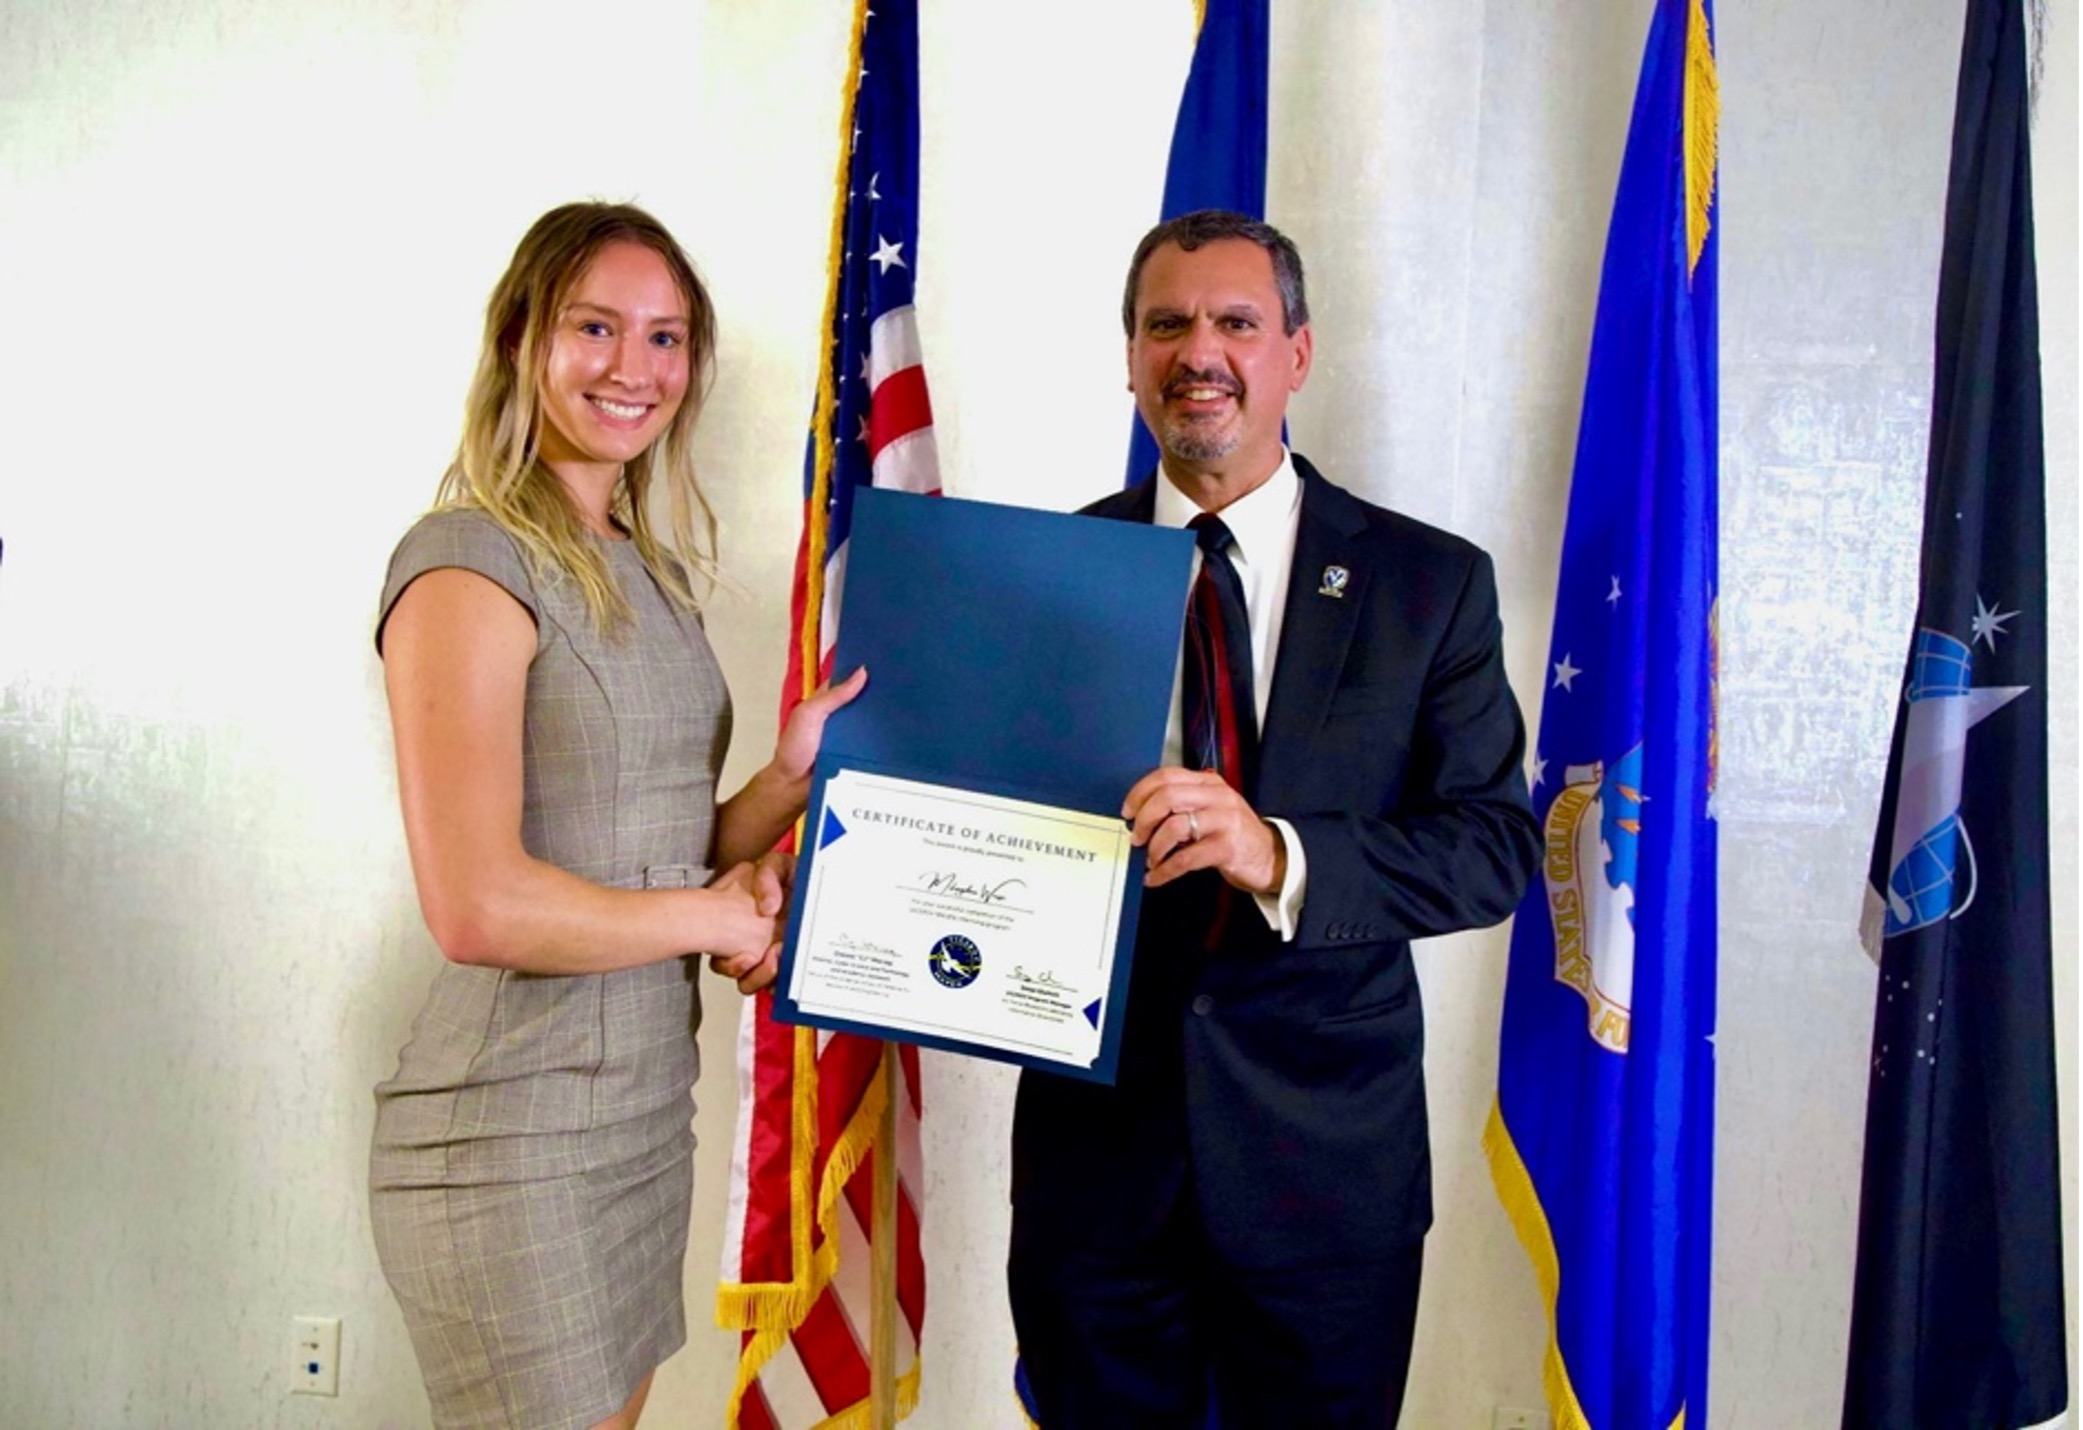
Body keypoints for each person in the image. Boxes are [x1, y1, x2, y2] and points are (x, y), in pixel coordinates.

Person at [1007, 210, 1542, 1428]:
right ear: (1131, 356)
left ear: (1296, 352)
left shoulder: (1426, 583)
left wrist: (1277, 851)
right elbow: (974, 823)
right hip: (1096, 1178)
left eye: (1236, 322)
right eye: (1167, 324)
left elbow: (1493, 846)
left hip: (1323, 1185)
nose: (1200, 351)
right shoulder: (1040, 573)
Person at [367, 201, 859, 1430]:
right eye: (596, 327)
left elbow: (652, 858)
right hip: (513, 1127)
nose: (632, 369)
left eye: (665, 337)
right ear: (525, 338)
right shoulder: (464, 561)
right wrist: (717, 918)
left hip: (641, 1110)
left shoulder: (642, 564)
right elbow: (476, 904)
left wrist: (785, 779)